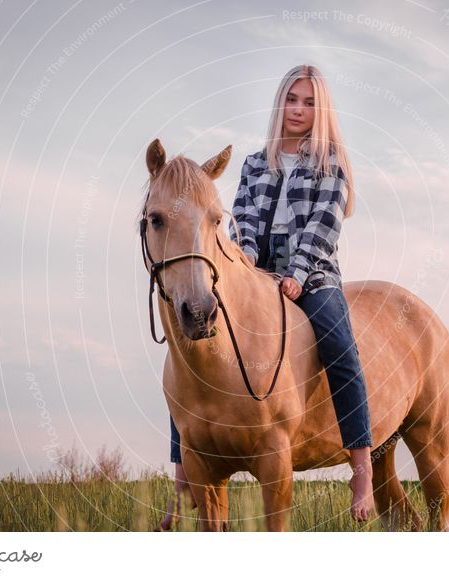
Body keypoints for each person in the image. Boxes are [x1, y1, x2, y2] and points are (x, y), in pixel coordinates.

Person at [159, 64, 374, 529]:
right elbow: (243, 223)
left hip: (313, 276)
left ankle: (362, 469)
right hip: (257, 276)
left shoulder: (331, 163)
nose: (298, 109)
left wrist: (297, 274)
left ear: (322, 111)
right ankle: (182, 469)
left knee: (341, 349)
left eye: (309, 102)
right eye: (292, 99)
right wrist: (249, 269)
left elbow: (323, 227)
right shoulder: (257, 164)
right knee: (189, 347)